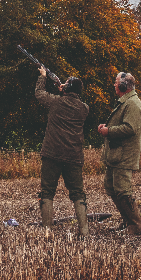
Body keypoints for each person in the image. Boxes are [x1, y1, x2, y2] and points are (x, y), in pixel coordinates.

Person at [35, 65, 90, 236]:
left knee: (47, 192)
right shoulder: (84, 108)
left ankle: (47, 231)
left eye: (65, 83)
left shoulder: (56, 102)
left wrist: (43, 76)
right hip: (73, 156)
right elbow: (69, 103)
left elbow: (39, 94)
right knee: (78, 193)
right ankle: (84, 230)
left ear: (66, 88)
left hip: (52, 154)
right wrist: (64, 90)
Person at [98, 72, 141, 235]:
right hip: (116, 155)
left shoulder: (133, 103)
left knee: (123, 190)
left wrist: (108, 131)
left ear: (124, 86)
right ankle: (127, 221)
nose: (114, 85)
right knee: (111, 187)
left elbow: (130, 128)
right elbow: (123, 124)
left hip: (124, 155)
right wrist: (107, 127)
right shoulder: (126, 102)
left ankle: (135, 226)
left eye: (116, 82)